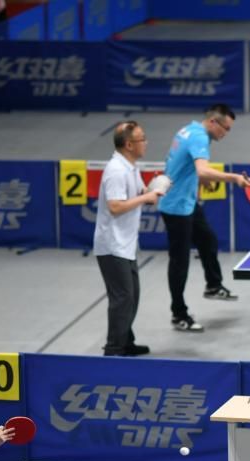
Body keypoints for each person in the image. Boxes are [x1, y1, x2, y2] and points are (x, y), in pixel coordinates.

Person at [158, 103, 250, 333]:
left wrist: (201, 181)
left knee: (208, 239)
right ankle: (179, 314)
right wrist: (235, 179)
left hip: (187, 201)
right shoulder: (199, 137)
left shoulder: (189, 129)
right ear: (212, 122)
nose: (226, 133)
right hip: (176, 207)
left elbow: (182, 165)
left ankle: (213, 285)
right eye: (225, 128)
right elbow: (202, 169)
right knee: (179, 262)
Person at [95, 121, 162, 357]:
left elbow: (142, 193)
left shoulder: (131, 167)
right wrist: (146, 198)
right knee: (122, 298)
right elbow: (115, 206)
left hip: (126, 245)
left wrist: (158, 187)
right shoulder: (116, 170)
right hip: (112, 246)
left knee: (131, 297)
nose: (146, 143)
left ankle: (125, 342)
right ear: (129, 144)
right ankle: (113, 350)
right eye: (142, 139)